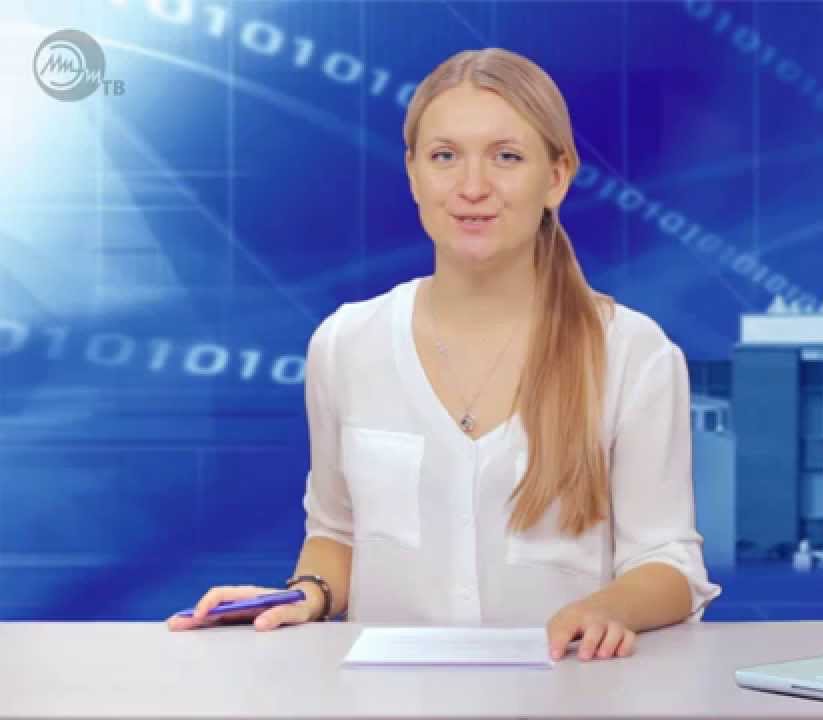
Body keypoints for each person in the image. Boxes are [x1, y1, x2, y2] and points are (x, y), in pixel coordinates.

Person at [166, 47, 721, 662]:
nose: (472, 188)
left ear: (557, 177)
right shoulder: (345, 343)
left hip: (569, 691)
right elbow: (337, 534)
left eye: (506, 157)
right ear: (413, 174)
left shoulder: (633, 353)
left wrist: (607, 609)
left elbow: (668, 561)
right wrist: (306, 595)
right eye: (445, 157)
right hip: (384, 698)